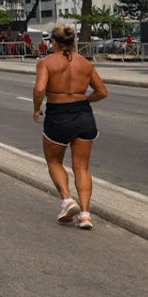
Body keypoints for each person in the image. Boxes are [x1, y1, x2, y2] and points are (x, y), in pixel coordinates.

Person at [33, 24, 109, 230]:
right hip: (83, 115)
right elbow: (102, 92)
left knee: (54, 161)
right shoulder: (85, 64)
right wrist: (83, 101)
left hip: (58, 114)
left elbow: (40, 88)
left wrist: (36, 108)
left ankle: (68, 201)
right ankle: (85, 214)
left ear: (54, 42)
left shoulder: (46, 62)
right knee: (82, 167)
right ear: (73, 41)